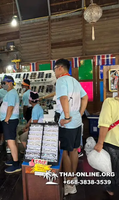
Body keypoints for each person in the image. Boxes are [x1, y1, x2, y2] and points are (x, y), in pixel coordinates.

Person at [54, 59, 88, 195]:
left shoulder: (61, 80)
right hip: (77, 121)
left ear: (61, 68)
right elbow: (85, 97)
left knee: (65, 151)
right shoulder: (75, 81)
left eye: (55, 68)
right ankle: (73, 176)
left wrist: (67, 117)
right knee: (74, 150)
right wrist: (79, 113)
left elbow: (63, 98)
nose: (55, 71)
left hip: (67, 122)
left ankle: (69, 183)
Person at [94, 80, 119, 196]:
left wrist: (100, 142)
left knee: (111, 168)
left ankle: (111, 189)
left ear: (117, 87)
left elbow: (104, 124)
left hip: (112, 142)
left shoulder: (109, 102)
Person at [0, 76, 20, 173]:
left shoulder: (12, 93)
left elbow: (10, 106)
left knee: (10, 142)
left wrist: (7, 118)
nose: (3, 85)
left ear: (10, 83)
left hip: (10, 120)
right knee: (12, 140)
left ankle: (16, 164)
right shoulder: (11, 92)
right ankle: (14, 159)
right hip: (11, 119)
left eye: (5, 83)